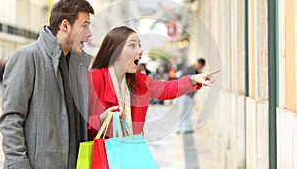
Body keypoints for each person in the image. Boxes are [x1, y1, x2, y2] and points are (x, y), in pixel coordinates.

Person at [0, 0, 95, 169]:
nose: (89, 34)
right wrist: (19, 165)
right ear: (65, 25)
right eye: (84, 25)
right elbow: (11, 120)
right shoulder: (27, 58)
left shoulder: (78, 65)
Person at [87, 26, 219, 139]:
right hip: (103, 157)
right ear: (115, 51)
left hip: (132, 153)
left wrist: (193, 79)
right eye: (132, 45)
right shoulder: (94, 78)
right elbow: (79, 124)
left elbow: (166, 88)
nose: (140, 51)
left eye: (139, 45)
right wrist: (101, 119)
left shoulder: (139, 80)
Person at [175, 58, 206, 134]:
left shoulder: (197, 72)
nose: (200, 67)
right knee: (181, 110)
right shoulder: (189, 69)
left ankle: (187, 128)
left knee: (188, 112)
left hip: (190, 94)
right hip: (183, 93)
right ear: (198, 63)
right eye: (200, 65)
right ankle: (178, 128)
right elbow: (181, 79)